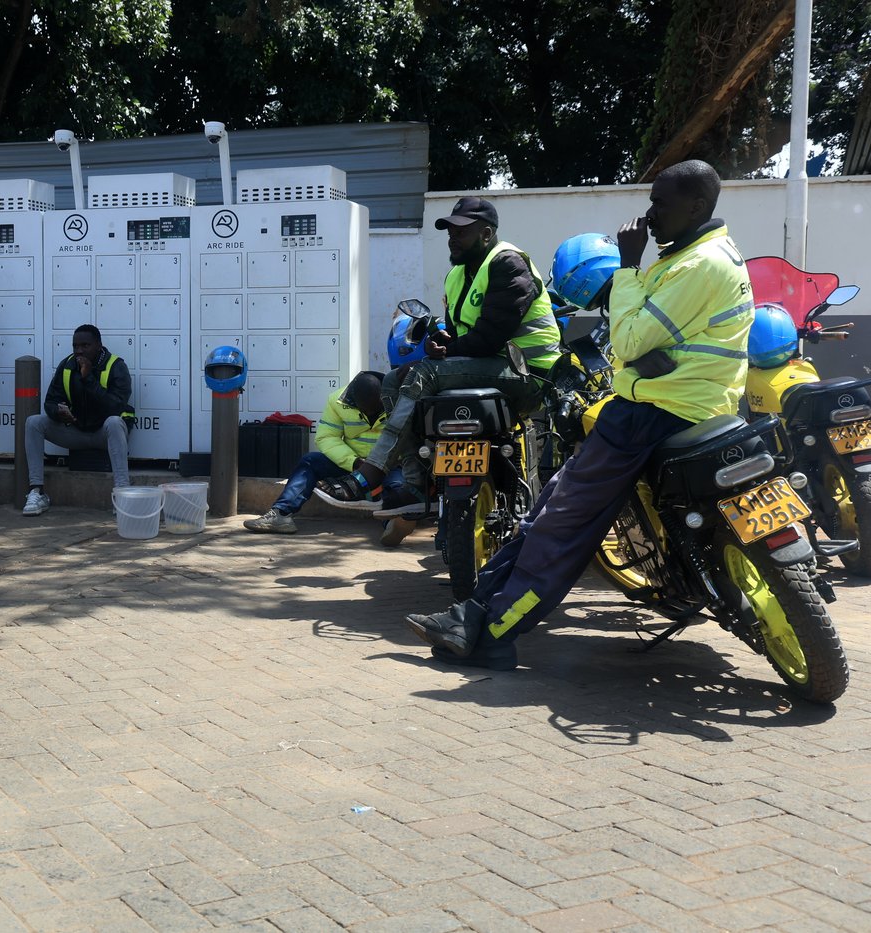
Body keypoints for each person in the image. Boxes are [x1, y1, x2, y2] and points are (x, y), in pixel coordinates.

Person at [405, 159, 753, 671]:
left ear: (696, 205)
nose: (649, 213)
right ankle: (471, 612)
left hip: (655, 412)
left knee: (557, 523)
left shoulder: (694, 264)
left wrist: (629, 266)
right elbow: (651, 338)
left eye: (660, 202)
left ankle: (490, 628)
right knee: (544, 511)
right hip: (696, 405)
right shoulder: (708, 255)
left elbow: (630, 338)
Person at [317, 196, 561, 515]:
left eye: (461, 231)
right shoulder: (456, 276)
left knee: (427, 371)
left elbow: (489, 338)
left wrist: (445, 353)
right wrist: (440, 344)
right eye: (448, 231)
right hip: (485, 367)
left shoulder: (507, 263)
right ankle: (416, 484)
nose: (452, 237)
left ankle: (370, 474)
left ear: (486, 234)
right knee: (393, 381)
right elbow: (462, 337)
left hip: (528, 373)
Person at [243, 372, 414, 546]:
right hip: (353, 464)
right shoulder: (337, 401)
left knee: (398, 486)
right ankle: (281, 514)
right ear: (354, 402)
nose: (370, 415)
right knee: (310, 461)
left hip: (390, 464)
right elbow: (326, 437)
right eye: (365, 410)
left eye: (376, 410)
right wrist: (353, 462)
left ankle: (395, 523)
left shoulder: (401, 399)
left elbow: (412, 438)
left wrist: (384, 463)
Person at [22, 324, 135, 516]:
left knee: (115, 422)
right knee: (33, 422)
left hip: (104, 435)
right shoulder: (67, 365)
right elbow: (50, 401)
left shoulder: (116, 366)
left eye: (85, 345)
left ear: (99, 345)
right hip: (75, 431)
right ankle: (37, 492)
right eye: (75, 346)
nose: (79, 351)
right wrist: (59, 412)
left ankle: (122, 493)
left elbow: (115, 406)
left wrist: (88, 378)